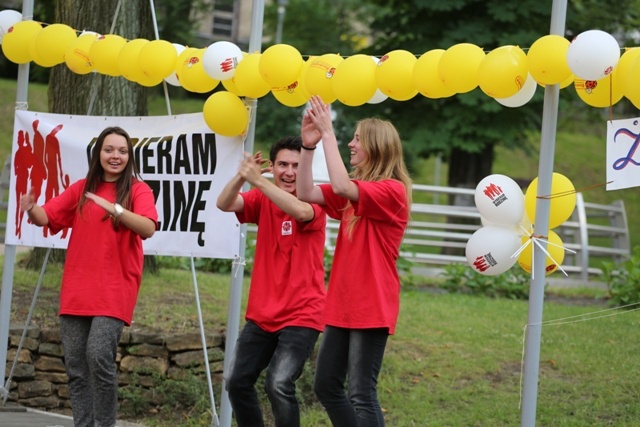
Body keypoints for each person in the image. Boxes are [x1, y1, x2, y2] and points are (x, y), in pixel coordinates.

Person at [20, 126, 158, 427]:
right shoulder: (83, 189)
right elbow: (48, 217)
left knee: (98, 356)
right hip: (76, 291)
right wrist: (31, 209)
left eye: (122, 151)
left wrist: (116, 209)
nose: (115, 156)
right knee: (76, 367)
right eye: (109, 149)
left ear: (129, 156)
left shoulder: (138, 190)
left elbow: (148, 227)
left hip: (114, 289)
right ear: (99, 154)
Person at [297, 95, 412, 427]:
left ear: (375, 147)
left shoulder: (392, 191)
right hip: (343, 304)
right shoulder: (355, 191)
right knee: (326, 386)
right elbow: (306, 193)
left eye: (357, 139)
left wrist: (328, 133)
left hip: (371, 305)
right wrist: (308, 147)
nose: (350, 144)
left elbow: (340, 185)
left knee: (362, 393)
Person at [216, 136, 327, 427]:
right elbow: (224, 203)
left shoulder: (314, 199)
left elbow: (300, 212)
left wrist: (260, 182)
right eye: (283, 165)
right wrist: (242, 177)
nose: (289, 172)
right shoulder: (261, 198)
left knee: (278, 383)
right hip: (263, 314)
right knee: (236, 381)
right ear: (273, 167)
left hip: (303, 313)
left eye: (296, 165)